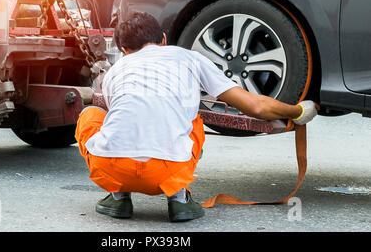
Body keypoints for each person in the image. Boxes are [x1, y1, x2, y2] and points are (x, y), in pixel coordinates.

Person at [75, 12, 318, 222]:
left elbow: (125, 121)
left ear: (124, 50)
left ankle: (118, 198)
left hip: (114, 169)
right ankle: (179, 198)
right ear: (163, 40)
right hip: (166, 172)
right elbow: (255, 107)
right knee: (193, 120)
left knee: (92, 115)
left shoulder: (116, 70)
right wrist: (297, 111)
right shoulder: (188, 58)